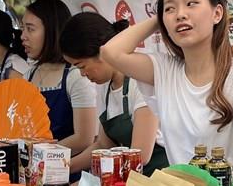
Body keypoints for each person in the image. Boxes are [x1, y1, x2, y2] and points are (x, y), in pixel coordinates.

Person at [101, 0, 233, 174]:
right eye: (170, 8)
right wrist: (161, 19)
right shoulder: (164, 71)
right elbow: (110, 52)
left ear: (217, 13)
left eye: (191, 3)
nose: (181, 14)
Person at [60, 12, 168, 175]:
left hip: (159, 180)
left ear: (101, 53)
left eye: (81, 66)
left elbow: (141, 155)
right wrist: (63, 168)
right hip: (130, 180)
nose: (82, 74)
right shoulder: (104, 86)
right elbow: (103, 145)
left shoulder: (140, 81)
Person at [22, 0, 97, 180]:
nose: (23, 36)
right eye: (22, 28)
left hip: (70, 174)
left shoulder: (76, 76)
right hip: (35, 172)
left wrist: (42, 155)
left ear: (52, 32)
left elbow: (84, 138)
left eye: (30, 29)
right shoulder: (29, 74)